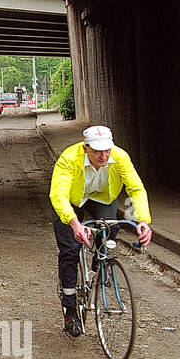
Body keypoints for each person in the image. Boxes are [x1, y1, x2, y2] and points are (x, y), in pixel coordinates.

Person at [49, 125, 153, 337]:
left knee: (111, 227)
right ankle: (70, 310)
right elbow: (58, 195)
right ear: (86, 148)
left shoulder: (120, 157)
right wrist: (74, 223)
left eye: (107, 150)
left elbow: (135, 188)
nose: (103, 156)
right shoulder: (69, 158)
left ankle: (100, 261)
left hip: (101, 199)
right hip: (71, 200)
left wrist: (143, 220)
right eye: (97, 151)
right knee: (69, 250)